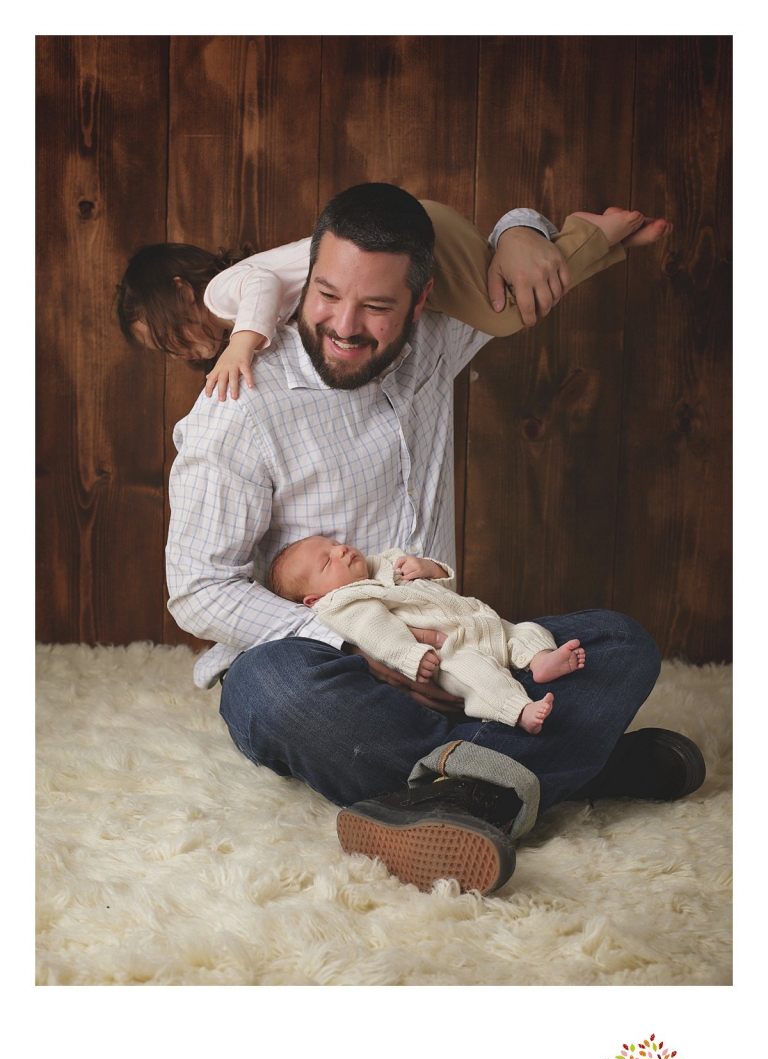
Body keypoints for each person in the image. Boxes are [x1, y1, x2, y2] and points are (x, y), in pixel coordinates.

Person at [162, 182, 704, 897]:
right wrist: (355, 642)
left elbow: (513, 277)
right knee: (272, 688)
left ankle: (451, 797)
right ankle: (576, 770)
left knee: (621, 644)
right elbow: (199, 588)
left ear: (419, 306)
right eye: (326, 295)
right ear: (304, 282)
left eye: (377, 307)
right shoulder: (238, 408)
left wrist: (520, 230)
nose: (344, 326)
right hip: (333, 671)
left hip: (456, 662)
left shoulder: (431, 345)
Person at [118, 201, 669, 400]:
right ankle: (601, 240)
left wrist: (241, 346)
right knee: (508, 306)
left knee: (502, 317)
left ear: (180, 290)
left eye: (170, 334)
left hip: (406, 235)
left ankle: (580, 231)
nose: (181, 350)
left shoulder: (224, 294)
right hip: (413, 234)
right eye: (165, 351)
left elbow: (262, 288)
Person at [268, 535, 586, 735]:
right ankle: (519, 711)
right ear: (314, 600)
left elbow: (443, 586)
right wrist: (411, 656)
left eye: (335, 544)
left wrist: (430, 569)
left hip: (481, 624)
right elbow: (379, 633)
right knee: (478, 676)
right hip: (449, 653)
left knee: (528, 631)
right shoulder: (343, 604)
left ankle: (542, 661)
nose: (341, 551)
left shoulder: (385, 561)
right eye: (328, 562)